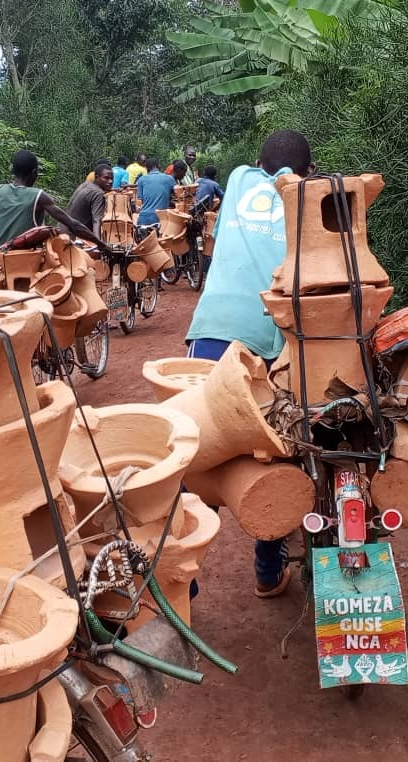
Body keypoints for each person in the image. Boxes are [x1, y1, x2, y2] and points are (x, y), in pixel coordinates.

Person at [184, 129, 314, 598]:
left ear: (258, 165)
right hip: (269, 336)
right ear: (309, 172)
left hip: (212, 330)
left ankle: (184, 576)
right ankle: (266, 569)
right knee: (276, 447)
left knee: (196, 451)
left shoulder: (238, 178)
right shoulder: (309, 199)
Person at [0, 149, 110, 252]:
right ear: (34, 173)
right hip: (24, 265)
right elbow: (74, 225)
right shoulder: (38, 196)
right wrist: (101, 244)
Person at [63, 163, 114, 241]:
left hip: (63, 231)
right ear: (97, 177)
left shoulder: (85, 185)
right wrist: (99, 244)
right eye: (106, 178)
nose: (110, 181)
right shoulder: (98, 194)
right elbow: (97, 221)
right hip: (73, 237)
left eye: (112, 178)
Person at [135, 158, 178, 228]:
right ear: (159, 166)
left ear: (147, 168)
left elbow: (141, 201)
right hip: (160, 219)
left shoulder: (141, 179)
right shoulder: (169, 179)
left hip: (143, 219)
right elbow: (177, 197)